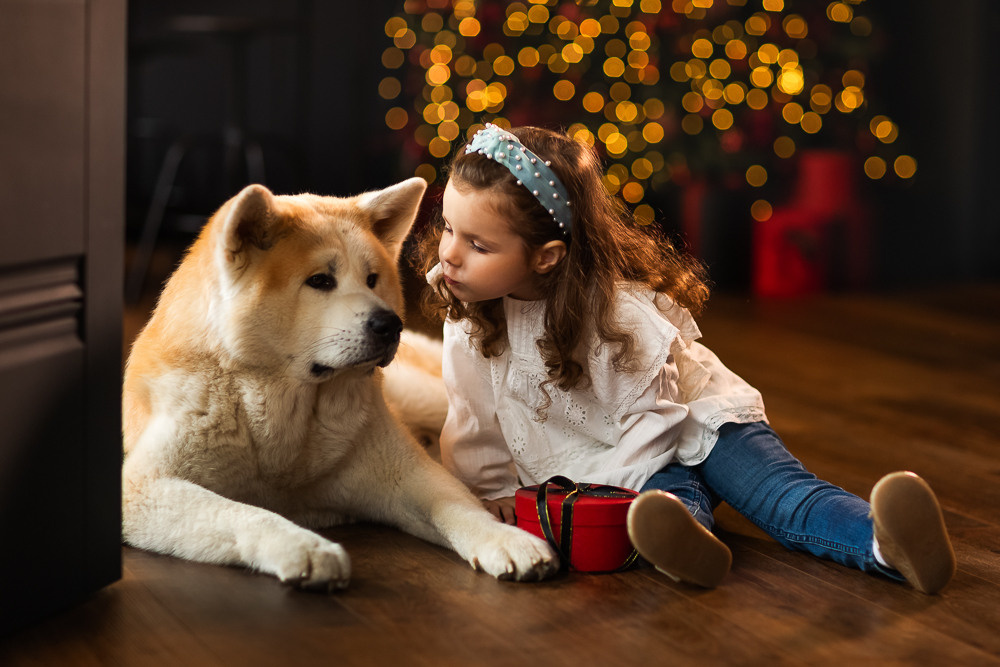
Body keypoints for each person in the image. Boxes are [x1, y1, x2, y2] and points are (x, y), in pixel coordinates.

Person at [415, 123, 956, 594]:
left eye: (478, 245)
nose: (450, 254)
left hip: (692, 422)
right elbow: (473, 421)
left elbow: (658, 420)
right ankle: (690, 550)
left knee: (782, 496)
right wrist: (492, 495)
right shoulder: (470, 314)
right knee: (663, 506)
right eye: (448, 229)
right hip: (620, 457)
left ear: (545, 257)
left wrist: (606, 487)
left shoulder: (615, 315)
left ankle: (886, 544)